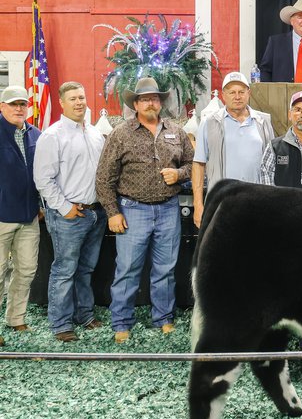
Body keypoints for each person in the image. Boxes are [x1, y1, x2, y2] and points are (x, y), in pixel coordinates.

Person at [95, 77, 194, 343]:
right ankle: (122, 321)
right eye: (145, 99)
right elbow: (104, 178)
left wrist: (179, 173)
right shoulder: (121, 134)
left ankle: (163, 318)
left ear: (160, 102)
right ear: (136, 104)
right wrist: (113, 212)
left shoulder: (177, 131)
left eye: (154, 98)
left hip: (168, 209)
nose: (150, 103)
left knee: (165, 268)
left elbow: (191, 165)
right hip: (132, 210)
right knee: (127, 268)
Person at [33, 82, 107, 342]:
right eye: (73, 98)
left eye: (82, 97)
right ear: (62, 103)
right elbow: (42, 179)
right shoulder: (52, 136)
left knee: (85, 269)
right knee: (64, 270)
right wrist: (65, 209)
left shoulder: (96, 134)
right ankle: (61, 324)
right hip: (68, 215)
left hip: (95, 213)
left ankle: (84, 315)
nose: (79, 102)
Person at [192, 71, 274, 227]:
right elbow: (198, 164)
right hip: (221, 203)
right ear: (223, 95)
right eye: (232, 92)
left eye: (241, 92)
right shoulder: (209, 122)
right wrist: (198, 204)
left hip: (257, 202)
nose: (237, 96)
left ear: (248, 93)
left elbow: (272, 165)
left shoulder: (263, 122)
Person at [0, 86, 42, 340]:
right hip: (2, 216)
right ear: (2, 106)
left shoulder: (35, 134)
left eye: (23, 104)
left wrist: (40, 206)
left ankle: (16, 318)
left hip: (29, 216)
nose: (19, 109)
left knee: (26, 270)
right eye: (13, 104)